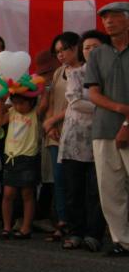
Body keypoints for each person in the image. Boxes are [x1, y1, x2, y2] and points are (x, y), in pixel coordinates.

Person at [84, 2, 129, 256]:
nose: (108, 22)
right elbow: (93, 93)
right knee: (110, 189)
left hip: (125, 127)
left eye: (114, 17)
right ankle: (121, 241)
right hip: (103, 129)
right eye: (105, 19)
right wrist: (122, 109)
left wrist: (127, 123)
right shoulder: (98, 54)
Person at [59, 31, 108, 251]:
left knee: (97, 190)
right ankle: (75, 232)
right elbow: (76, 102)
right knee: (74, 190)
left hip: (101, 137)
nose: (90, 51)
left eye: (95, 47)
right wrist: (109, 108)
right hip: (74, 140)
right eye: (86, 47)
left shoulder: (111, 74)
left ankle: (95, 234)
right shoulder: (75, 74)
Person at [41, 32, 82, 241]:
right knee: (58, 181)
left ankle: (77, 225)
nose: (60, 55)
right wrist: (50, 125)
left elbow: (79, 103)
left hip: (77, 133)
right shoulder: (58, 72)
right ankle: (62, 222)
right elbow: (50, 101)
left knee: (75, 181)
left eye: (64, 49)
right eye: (57, 51)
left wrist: (52, 120)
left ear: (76, 48)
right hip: (55, 134)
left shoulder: (85, 71)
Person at [0, 90, 41, 239]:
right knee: (8, 193)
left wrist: (43, 91)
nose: (18, 106)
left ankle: (26, 228)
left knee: (27, 193)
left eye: (22, 103)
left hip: (27, 157)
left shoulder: (35, 113)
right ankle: (7, 227)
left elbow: (44, 102)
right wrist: (1, 103)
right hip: (11, 156)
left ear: (31, 102)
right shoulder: (13, 111)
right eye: (15, 103)